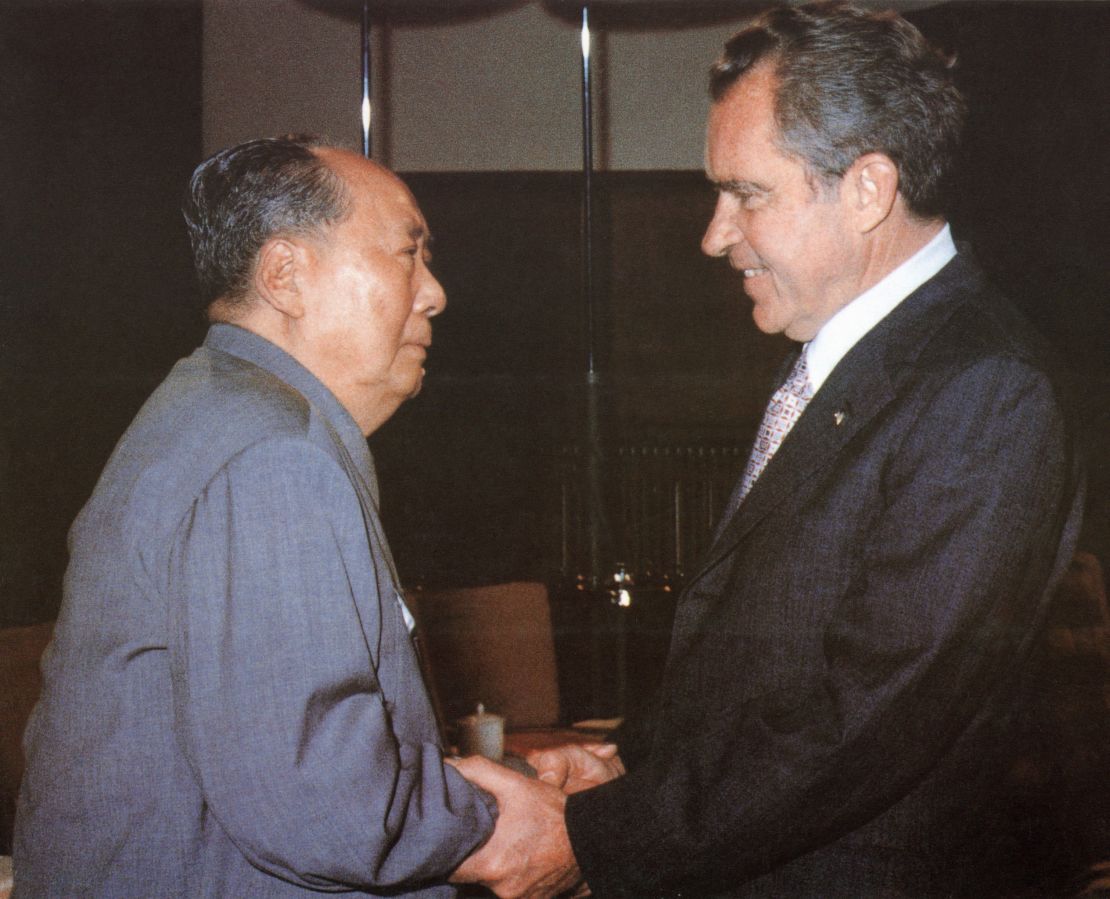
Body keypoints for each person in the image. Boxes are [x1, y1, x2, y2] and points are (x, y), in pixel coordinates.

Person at [449, 3, 1086, 896]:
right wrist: (629, 764)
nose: (714, 234)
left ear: (867, 188)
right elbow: (766, 666)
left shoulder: (984, 387)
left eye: (747, 193)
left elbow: (872, 713)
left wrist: (598, 837)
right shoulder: (857, 361)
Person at [14, 136, 496, 896]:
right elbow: (326, 808)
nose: (433, 292)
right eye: (409, 254)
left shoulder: (220, 407)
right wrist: (498, 814)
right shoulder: (274, 454)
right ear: (285, 275)